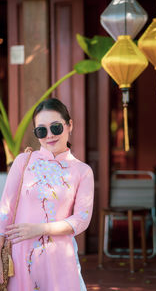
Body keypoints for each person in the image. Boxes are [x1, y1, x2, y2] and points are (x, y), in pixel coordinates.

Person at [0, 98, 94, 291]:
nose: (49, 135)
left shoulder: (82, 171)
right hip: (20, 256)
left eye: (56, 127)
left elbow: (81, 219)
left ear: (69, 125)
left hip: (59, 259)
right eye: (41, 130)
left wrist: (41, 229)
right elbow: (5, 211)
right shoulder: (23, 161)